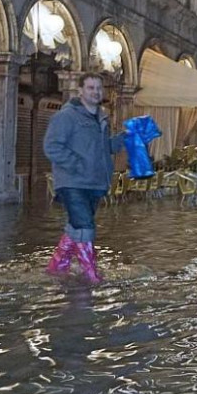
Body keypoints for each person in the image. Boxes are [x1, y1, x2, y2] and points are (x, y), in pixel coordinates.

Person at [44, 72, 126, 284]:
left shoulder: (102, 118)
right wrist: (77, 165)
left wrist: (124, 139)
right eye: (90, 88)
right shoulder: (66, 116)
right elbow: (51, 147)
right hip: (72, 183)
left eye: (99, 88)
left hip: (95, 183)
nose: (96, 92)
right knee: (85, 227)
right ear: (80, 91)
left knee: (76, 227)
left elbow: (104, 148)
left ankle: (56, 267)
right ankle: (92, 276)